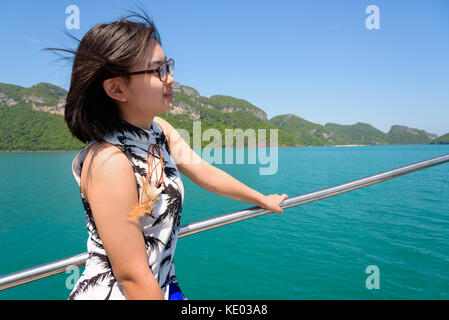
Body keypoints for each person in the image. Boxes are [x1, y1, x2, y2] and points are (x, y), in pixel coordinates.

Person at [53, 10, 288, 300]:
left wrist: (261, 199)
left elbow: (205, 172)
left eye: (168, 66)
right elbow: (132, 276)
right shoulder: (109, 162)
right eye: (158, 70)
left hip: (163, 285)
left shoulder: (158, 130)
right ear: (116, 89)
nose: (171, 78)